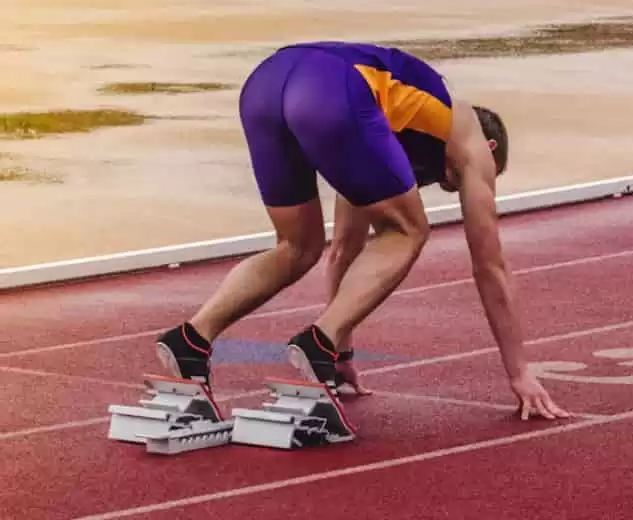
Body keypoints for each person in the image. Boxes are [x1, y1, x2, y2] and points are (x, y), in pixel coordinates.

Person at [153, 41, 571, 421]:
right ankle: (318, 343)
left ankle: (192, 339)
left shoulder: (382, 130)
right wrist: (519, 373)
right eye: (486, 177)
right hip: (330, 89)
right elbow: (490, 266)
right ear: (491, 150)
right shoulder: (468, 134)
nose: (461, 187)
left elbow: (345, 249)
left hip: (266, 84)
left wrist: (343, 349)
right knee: (410, 231)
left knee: (298, 246)